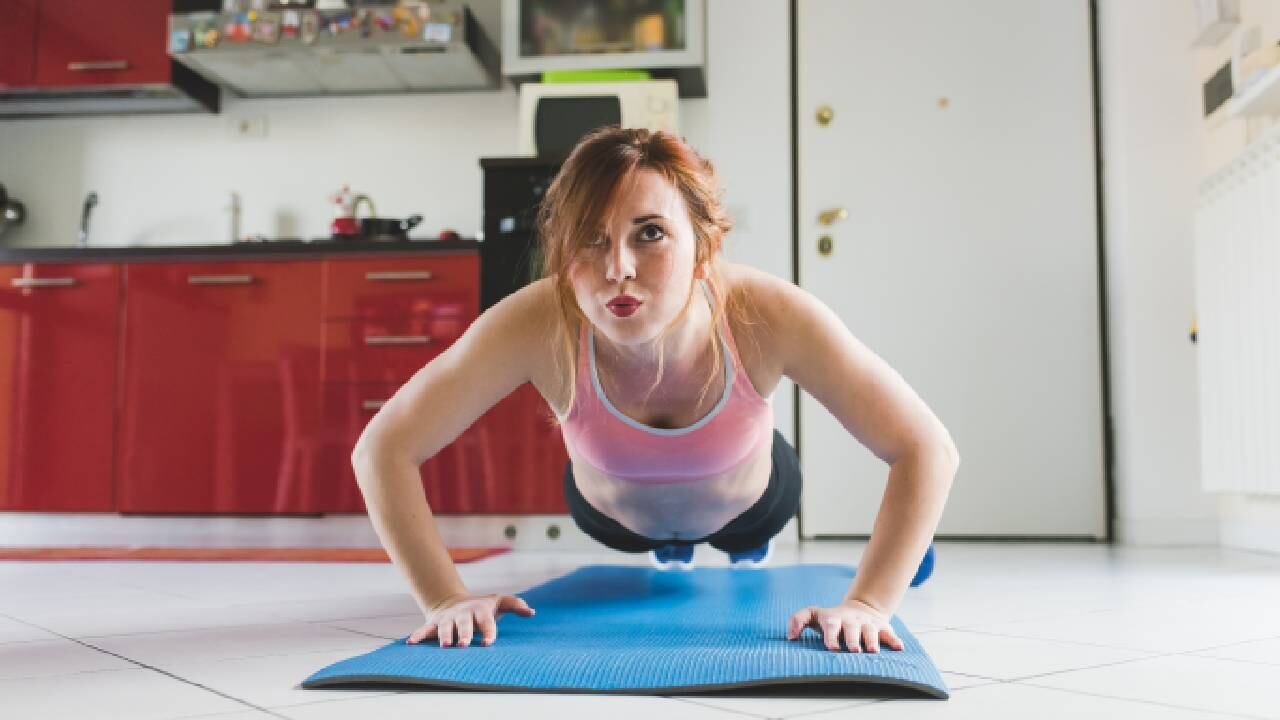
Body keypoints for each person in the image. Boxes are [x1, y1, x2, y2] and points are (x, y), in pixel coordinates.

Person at [351, 127, 959, 655]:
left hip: (752, 504)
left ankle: (838, 547)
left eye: (649, 234)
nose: (617, 267)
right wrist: (443, 600)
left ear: (704, 246)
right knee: (657, 544)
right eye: (591, 237)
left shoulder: (767, 312)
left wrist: (873, 603)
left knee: (756, 529)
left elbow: (925, 447)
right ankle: (672, 550)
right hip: (614, 520)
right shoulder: (536, 320)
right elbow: (383, 449)